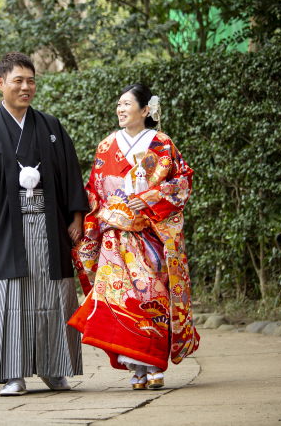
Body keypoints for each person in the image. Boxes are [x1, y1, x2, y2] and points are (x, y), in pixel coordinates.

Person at [0, 52, 89, 396]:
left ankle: (55, 370)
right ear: (1, 84)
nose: (26, 88)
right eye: (18, 81)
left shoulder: (51, 127)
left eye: (31, 81)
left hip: (50, 227)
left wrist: (77, 216)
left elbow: (70, 173)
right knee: (9, 300)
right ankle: (14, 375)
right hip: (5, 230)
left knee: (54, 295)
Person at [68, 83, 200, 390]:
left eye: (127, 104)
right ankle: (137, 369)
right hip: (115, 237)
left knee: (151, 296)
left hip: (151, 234)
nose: (121, 109)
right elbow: (94, 191)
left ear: (145, 110)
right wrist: (87, 224)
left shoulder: (162, 144)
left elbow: (182, 181)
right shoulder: (105, 147)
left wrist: (153, 195)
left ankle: (153, 363)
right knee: (119, 299)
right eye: (119, 104)